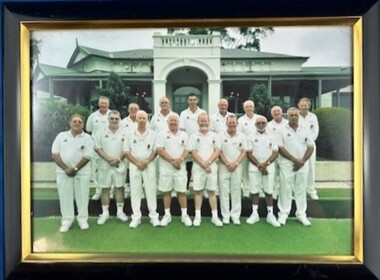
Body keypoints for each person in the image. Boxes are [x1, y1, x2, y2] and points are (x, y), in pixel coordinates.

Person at [52, 114, 93, 232]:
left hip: (82, 173)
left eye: (80, 122)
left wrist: (75, 169)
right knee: (65, 197)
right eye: (74, 121)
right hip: (63, 172)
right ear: (70, 123)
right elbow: (55, 154)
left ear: (83, 125)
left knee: (83, 196)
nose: (77, 123)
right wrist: (66, 169)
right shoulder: (61, 136)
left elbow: (87, 156)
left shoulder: (88, 138)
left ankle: (82, 220)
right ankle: (66, 221)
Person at [277, 107, 314, 226]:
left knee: (301, 189)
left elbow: (310, 147)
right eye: (291, 115)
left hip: (303, 165)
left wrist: (302, 161)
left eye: (295, 115)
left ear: (298, 116)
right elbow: (280, 148)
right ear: (287, 116)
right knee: (285, 189)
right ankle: (283, 213)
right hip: (287, 165)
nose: (293, 117)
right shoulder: (281, 130)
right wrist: (294, 160)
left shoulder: (305, 129)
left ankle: (301, 214)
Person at [124, 110, 160, 228]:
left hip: (149, 165)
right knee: (135, 191)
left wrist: (147, 161)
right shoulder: (129, 134)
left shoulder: (153, 134)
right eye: (140, 118)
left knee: (151, 190)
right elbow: (126, 151)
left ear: (147, 120)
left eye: (144, 118)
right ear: (136, 120)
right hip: (135, 165)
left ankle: (154, 216)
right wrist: (137, 163)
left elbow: (155, 150)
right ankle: (136, 217)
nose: (142, 120)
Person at [156, 112, 192, 227]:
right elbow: (160, 150)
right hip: (166, 169)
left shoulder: (185, 135)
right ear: (167, 122)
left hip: (180, 169)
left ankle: (184, 215)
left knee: (182, 192)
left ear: (178, 122)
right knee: (167, 192)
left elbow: (188, 150)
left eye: (175, 121)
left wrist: (180, 160)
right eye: (171, 121)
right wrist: (173, 161)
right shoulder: (161, 134)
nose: (173, 122)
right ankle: (167, 215)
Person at [187, 112, 223, 227]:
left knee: (212, 192)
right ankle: (198, 217)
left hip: (211, 167)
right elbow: (192, 151)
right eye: (201, 120)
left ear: (209, 121)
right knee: (198, 192)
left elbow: (217, 151)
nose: (203, 122)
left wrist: (208, 163)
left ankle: (215, 217)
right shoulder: (193, 136)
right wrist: (203, 164)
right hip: (198, 168)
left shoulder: (215, 135)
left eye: (205, 120)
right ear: (198, 122)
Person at [94, 110, 129, 225]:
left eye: (116, 118)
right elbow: (98, 148)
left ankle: (120, 212)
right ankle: (105, 213)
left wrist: (118, 159)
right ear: (108, 119)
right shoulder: (100, 132)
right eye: (112, 118)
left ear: (119, 119)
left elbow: (127, 149)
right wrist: (108, 159)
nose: (114, 120)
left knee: (120, 188)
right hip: (105, 165)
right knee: (105, 189)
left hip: (120, 164)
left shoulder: (125, 132)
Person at [246, 116, 281, 227]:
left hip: (268, 168)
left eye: (263, 122)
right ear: (255, 124)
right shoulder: (250, 136)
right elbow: (249, 153)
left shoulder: (272, 136)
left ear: (266, 124)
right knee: (255, 191)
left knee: (269, 191)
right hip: (254, 168)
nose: (261, 124)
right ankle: (254, 213)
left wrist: (266, 164)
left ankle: (270, 215)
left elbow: (275, 152)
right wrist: (259, 165)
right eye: (259, 122)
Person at [218, 115, 247, 225]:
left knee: (236, 191)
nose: (231, 124)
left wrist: (235, 163)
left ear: (237, 124)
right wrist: (226, 163)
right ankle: (225, 216)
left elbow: (244, 151)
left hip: (237, 167)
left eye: (233, 123)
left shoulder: (242, 136)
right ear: (226, 123)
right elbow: (218, 151)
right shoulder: (220, 135)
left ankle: (235, 215)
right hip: (223, 167)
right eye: (229, 123)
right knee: (224, 192)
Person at [85, 96, 111, 201]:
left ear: (108, 105)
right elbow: (89, 129)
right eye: (102, 103)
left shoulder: (112, 115)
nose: (103, 105)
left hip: (109, 147)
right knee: (96, 169)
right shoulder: (93, 116)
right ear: (99, 104)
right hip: (96, 147)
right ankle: (98, 191)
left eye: (105, 103)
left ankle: (111, 191)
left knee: (110, 169)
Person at [179, 93, 206, 190]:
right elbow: (181, 129)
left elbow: (205, 127)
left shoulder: (203, 112)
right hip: (187, 144)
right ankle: (185, 189)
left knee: (200, 166)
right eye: (190, 100)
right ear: (188, 101)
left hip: (201, 144)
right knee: (187, 168)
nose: (192, 101)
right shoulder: (183, 113)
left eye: (194, 99)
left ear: (197, 100)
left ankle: (201, 189)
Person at [237, 100, 263, 197]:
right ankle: (246, 189)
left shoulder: (259, 118)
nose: (249, 108)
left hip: (257, 149)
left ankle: (259, 189)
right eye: (247, 107)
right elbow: (239, 135)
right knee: (245, 170)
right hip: (245, 149)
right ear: (244, 108)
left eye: (250, 106)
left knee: (257, 169)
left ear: (253, 107)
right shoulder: (240, 120)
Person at [298, 97, 319, 200]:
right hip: (298, 146)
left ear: (308, 106)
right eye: (301, 105)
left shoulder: (313, 117)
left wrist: (309, 141)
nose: (303, 107)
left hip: (310, 146)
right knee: (298, 168)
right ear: (299, 106)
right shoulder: (295, 115)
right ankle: (299, 190)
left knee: (311, 168)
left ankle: (311, 190)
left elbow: (315, 131)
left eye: (305, 105)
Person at [267, 105, 288, 199]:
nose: (276, 113)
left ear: (281, 112)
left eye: (278, 111)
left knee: (285, 174)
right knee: (274, 174)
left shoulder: (287, 123)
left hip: (285, 153)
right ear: (272, 114)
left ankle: (286, 193)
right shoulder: (268, 125)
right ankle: (274, 192)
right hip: (273, 153)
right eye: (274, 112)